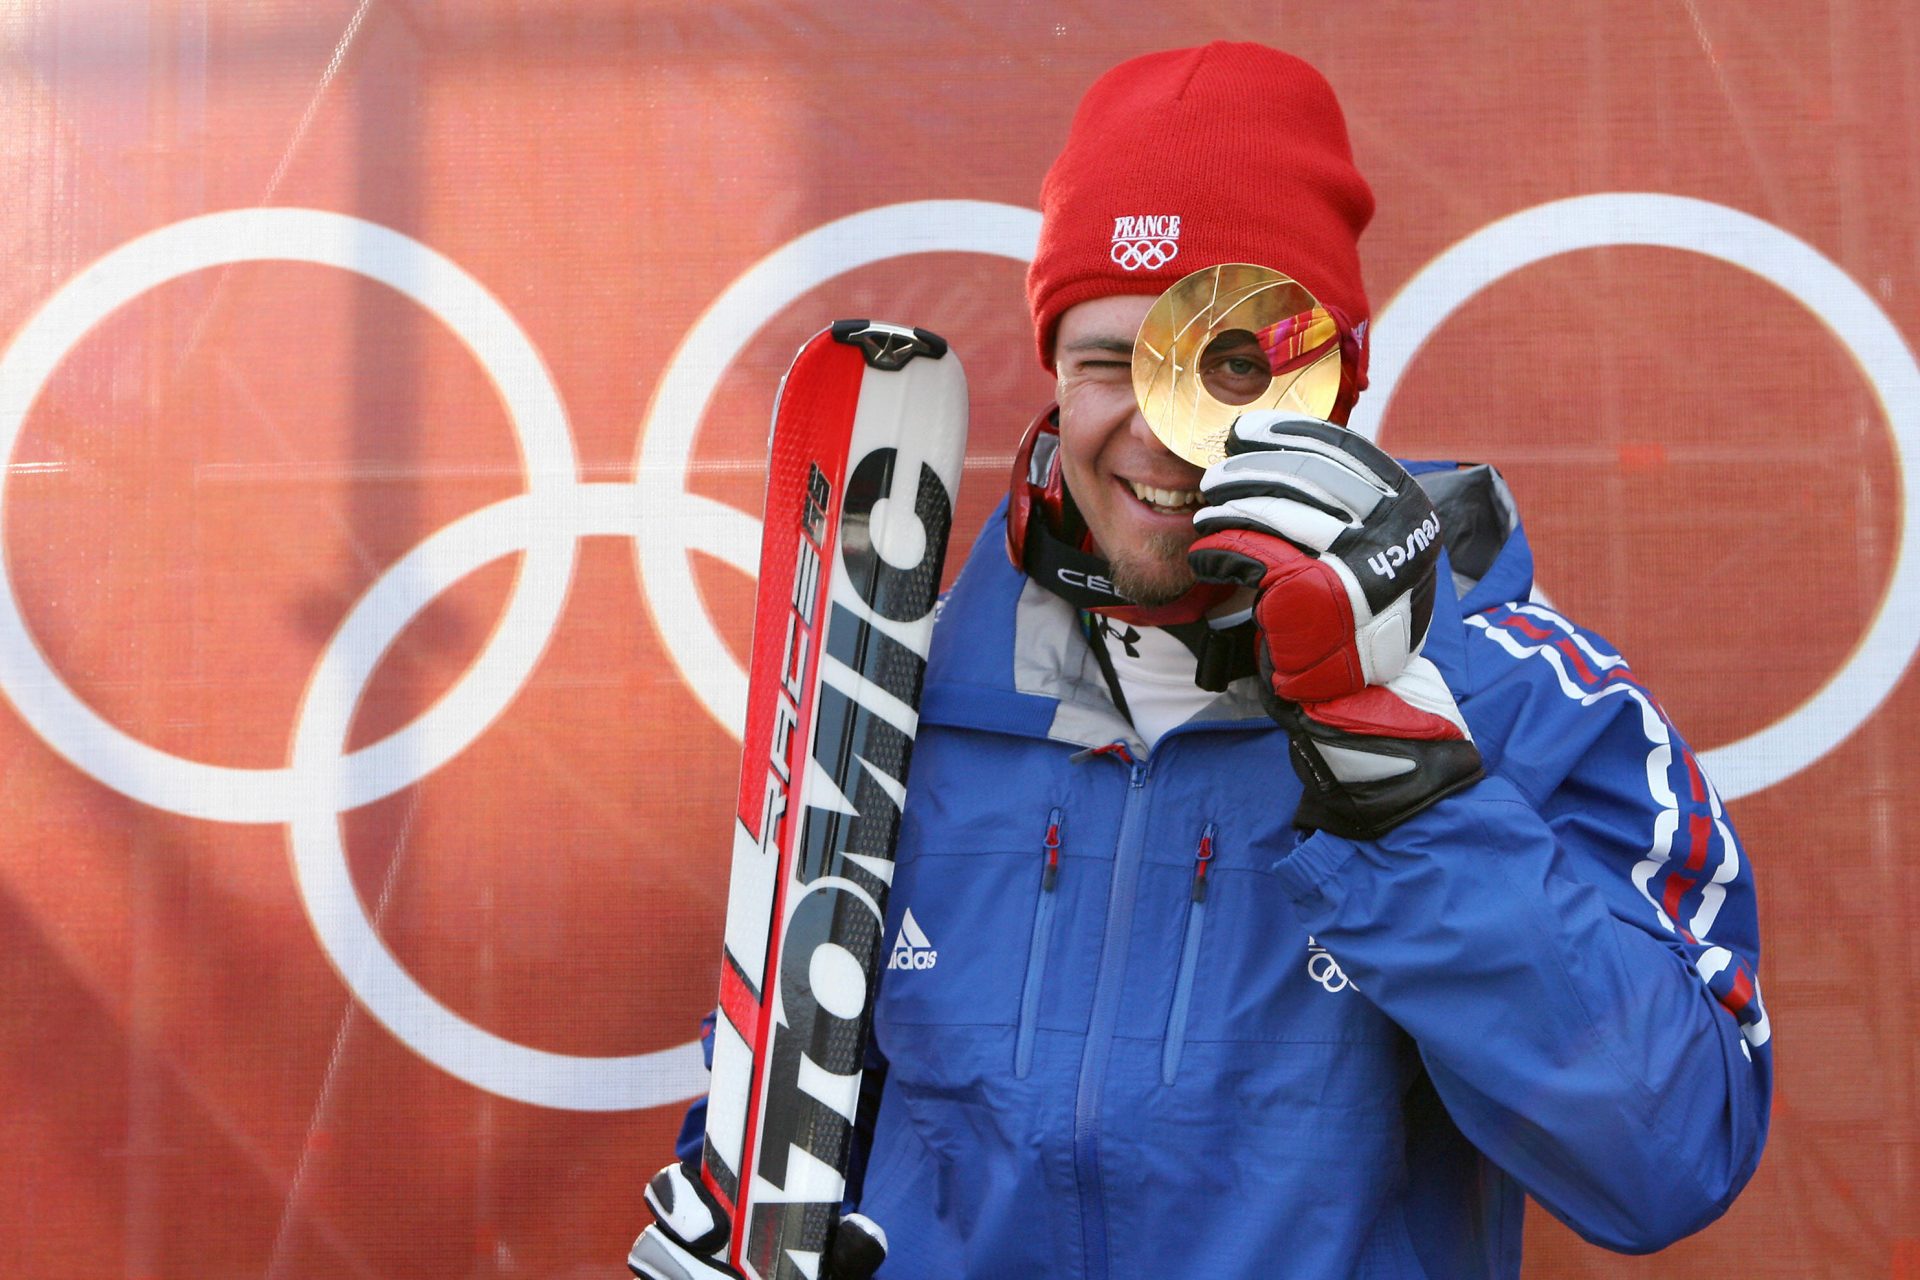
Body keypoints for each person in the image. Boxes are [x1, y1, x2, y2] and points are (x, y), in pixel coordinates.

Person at [633, 41, 1771, 1279]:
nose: (1159, 426)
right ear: (1054, 372)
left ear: (1330, 382)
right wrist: (731, 1231)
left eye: (1225, 364)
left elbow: (1674, 1155)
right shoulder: (895, 691)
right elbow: (778, 1119)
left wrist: (1413, 798)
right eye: (1108, 361)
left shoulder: (1518, 695)